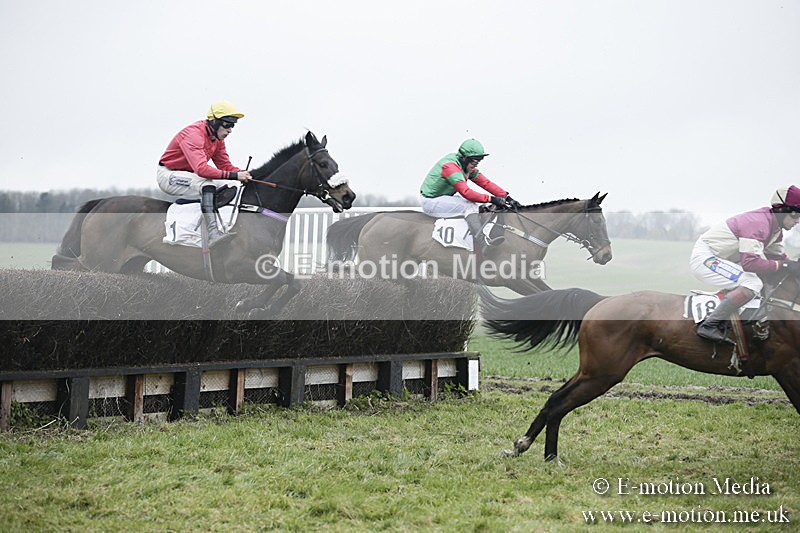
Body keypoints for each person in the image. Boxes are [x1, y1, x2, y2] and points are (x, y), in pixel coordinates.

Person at [689, 185, 800, 343]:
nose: (797, 221)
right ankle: (709, 325)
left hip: (724, 259)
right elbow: (750, 263)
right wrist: (785, 266)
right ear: (781, 210)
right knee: (752, 282)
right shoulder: (758, 224)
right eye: (795, 214)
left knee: (763, 279)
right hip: (706, 257)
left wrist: (792, 266)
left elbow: (779, 258)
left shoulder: (775, 230)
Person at [157, 100, 252, 247]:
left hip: (190, 175)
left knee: (231, 184)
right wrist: (235, 175)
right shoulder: (194, 135)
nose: (230, 130)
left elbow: (224, 166)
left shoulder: (217, 139)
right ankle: (213, 232)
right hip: (169, 175)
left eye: (233, 125)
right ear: (213, 121)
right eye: (227, 124)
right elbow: (201, 169)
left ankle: (221, 225)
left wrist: (241, 173)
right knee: (207, 184)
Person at [419, 139, 521, 250]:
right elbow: (466, 192)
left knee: (477, 206)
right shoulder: (450, 167)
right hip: (430, 201)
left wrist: (507, 197)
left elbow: (485, 183)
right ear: (464, 158)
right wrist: (491, 199)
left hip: (442, 198)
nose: (476, 164)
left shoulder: (464, 165)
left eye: (478, 161)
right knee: (469, 206)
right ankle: (482, 243)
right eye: (474, 161)